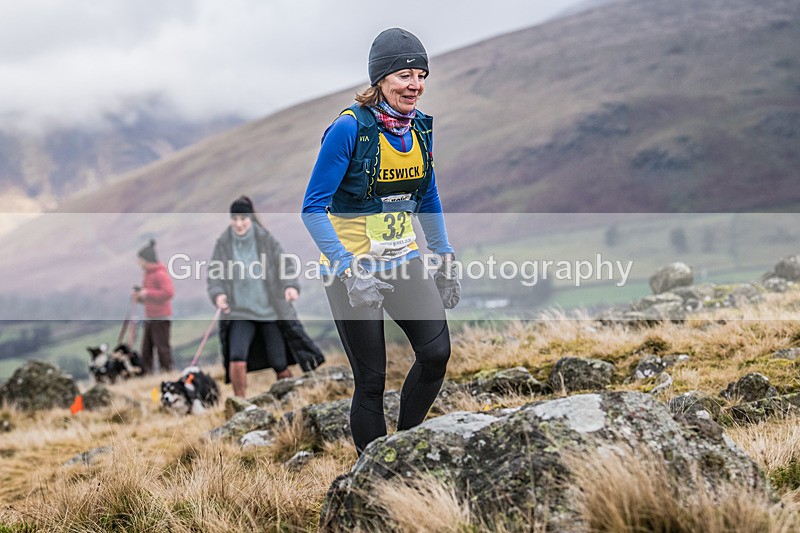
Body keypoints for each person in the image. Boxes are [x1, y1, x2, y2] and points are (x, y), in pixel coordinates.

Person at [302, 28, 461, 454]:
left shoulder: (419, 129)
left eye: (421, 74)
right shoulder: (348, 129)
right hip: (351, 268)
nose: (415, 85)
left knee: (436, 355)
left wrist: (443, 254)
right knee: (371, 381)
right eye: (404, 75)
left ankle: (404, 451)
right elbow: (312, 208)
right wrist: (348, 269)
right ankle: (373, 472)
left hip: (403, 259)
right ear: (380, 80)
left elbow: (427, 194)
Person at [207, 196, 324, 398]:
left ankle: (290, 399)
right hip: (239, 312)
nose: (239, 223)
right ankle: (239, 405)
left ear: (250, 218)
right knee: (236, 358)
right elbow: (214, 275)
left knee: (279, 363)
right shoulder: (224, 243)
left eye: (243, 219)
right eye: (235, 219)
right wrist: (218, 295)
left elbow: (284, 265)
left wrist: (290, 286)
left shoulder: (264, 239)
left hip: (270, 311)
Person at [133, 238, 175, 373]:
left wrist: (147, 293)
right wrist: (140, 297)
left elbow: (168, 293)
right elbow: (151, 297)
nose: (139, 263)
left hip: (161, 317)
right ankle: (147, 374)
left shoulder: (160, 274)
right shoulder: (148, 275)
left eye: (140, 260)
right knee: (146, 349)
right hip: (150, 317)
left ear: (147, 260)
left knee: (162, 348)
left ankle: (167, 372)